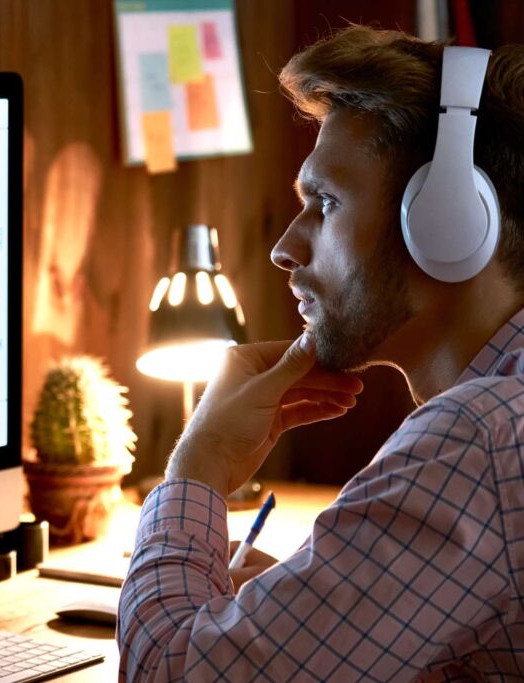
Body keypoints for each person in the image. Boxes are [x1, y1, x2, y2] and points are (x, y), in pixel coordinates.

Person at [118, 26, 524, 680]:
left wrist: (200, 462)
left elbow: (169, 671)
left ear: (447, 221)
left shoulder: (479, 438)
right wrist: (325, 619)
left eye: (325, 203)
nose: (284, 247)